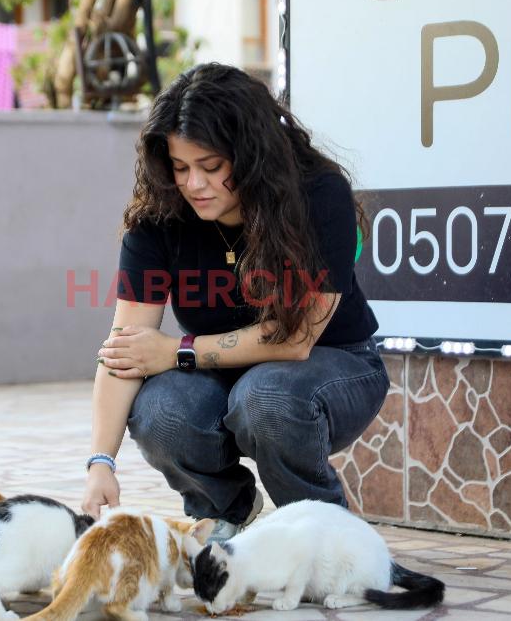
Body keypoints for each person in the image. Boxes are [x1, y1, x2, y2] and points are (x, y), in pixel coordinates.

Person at [82, 63, 389, 542]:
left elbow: (295, 340)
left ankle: (323, 532)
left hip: (334, 364)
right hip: (221, 374)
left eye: (211, 167)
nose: (193, 185)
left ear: (249, 156)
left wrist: (178, 351)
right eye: (180, 168)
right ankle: (225, 510)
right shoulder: (160, 217)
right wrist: (101, 462)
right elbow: (125, 350)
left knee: (265, 395)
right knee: (160, 409)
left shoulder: (317, 194)